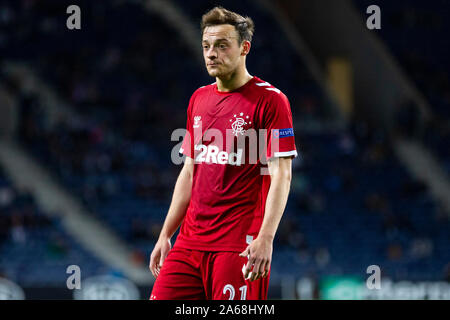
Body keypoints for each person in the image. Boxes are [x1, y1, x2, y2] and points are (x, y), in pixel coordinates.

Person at [149, 6, 297, 300]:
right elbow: (189, 171)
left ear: (244, 48)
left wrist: (266, 237)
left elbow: (282, 174)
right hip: (188, 244)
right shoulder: (198, 99)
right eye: (206, 46)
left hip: (237, 244)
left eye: (221, 45)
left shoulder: (271, 101)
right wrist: (166, 233)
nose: (211, 53)